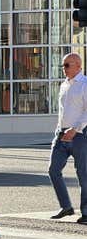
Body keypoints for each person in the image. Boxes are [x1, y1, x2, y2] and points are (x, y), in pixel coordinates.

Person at [48, 53, 87, 224]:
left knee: (83, 174)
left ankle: (86, 212)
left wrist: (75, 128)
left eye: (67, 65)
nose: (64, 69)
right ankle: (66, 207)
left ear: (78, 65)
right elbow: (63, 111)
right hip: (61, 134)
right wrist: (60, 129)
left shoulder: (84, 84)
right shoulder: (64, 85)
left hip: (80, 135)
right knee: (53, 170)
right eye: (63, 65)